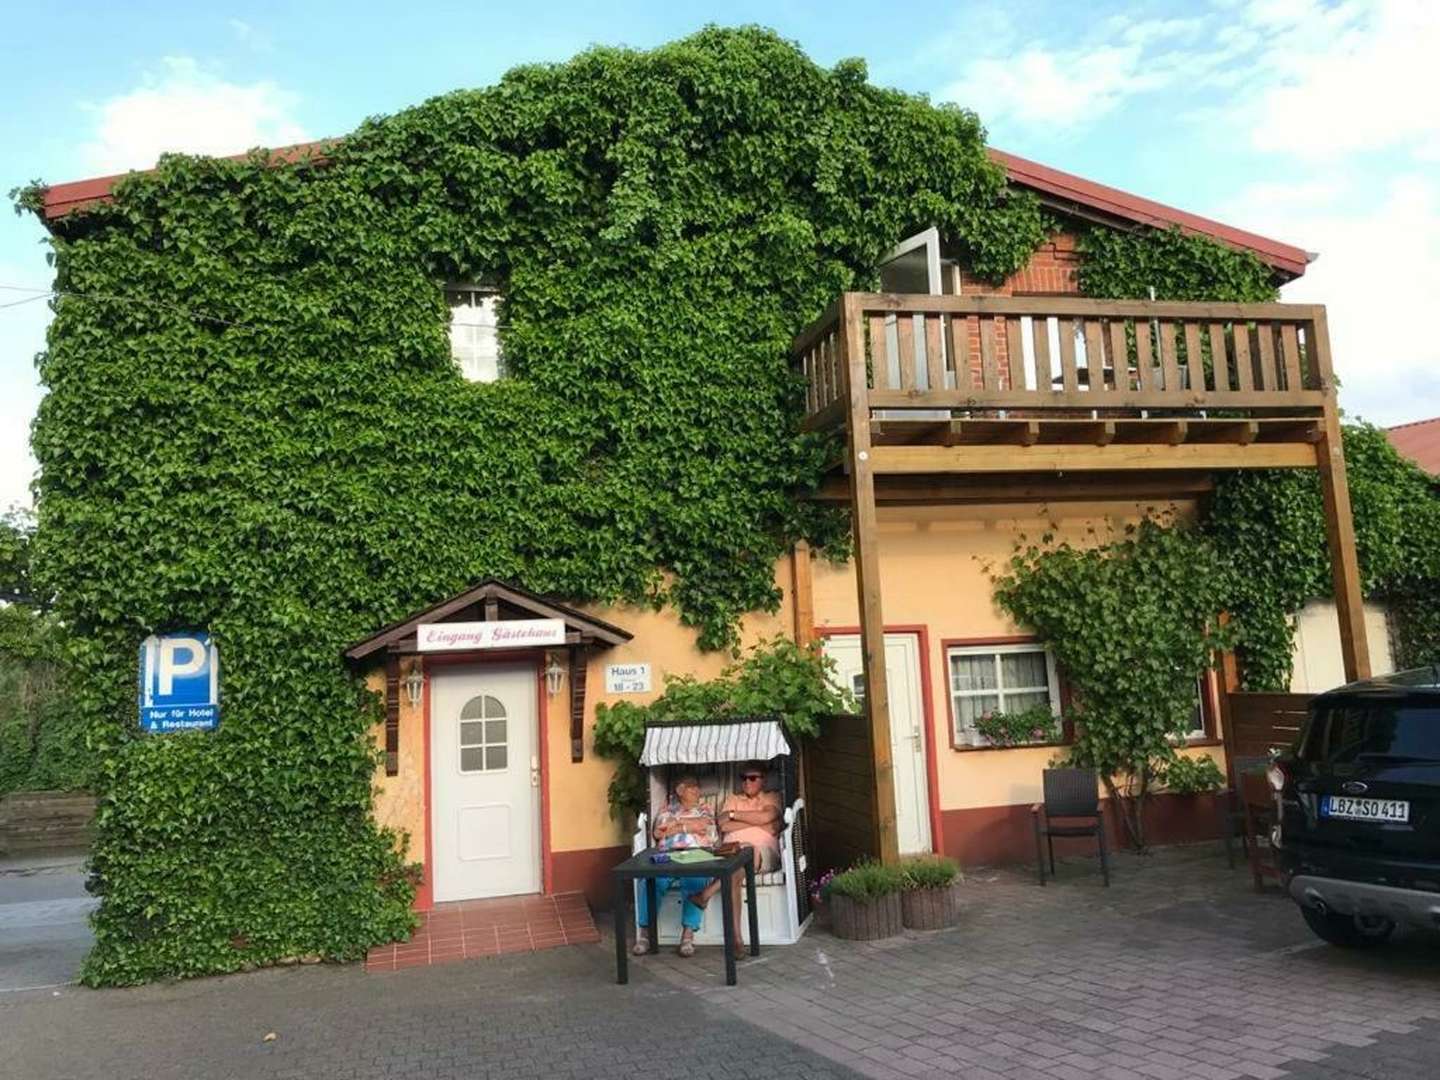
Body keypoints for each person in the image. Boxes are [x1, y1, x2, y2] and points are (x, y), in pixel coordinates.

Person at [634, 774, 718, 958]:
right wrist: (690, 826)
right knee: (651, 880)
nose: (697, 790)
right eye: (692, 786)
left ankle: (687, 935)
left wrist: (677, 826)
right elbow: (658, 832)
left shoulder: (705, 808)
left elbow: (706, 826)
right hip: (666, 855)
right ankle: (645, 934)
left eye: (697, 786)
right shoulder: (667, 809)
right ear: (680, 790)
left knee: (695, 879)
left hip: (697, 855)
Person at [716, 762, 783, 958]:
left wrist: (734, 816)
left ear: (763, 781)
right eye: (743, 778)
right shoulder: (732, 798)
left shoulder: (771, 797)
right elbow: (723, 826)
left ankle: (707, 893)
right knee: (735, 872)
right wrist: (759, 822)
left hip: (763, 853)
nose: (747, 782)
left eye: (753, 778)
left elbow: (767, 818)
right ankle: (737, 939)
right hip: (733, 853)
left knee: (749, 851)